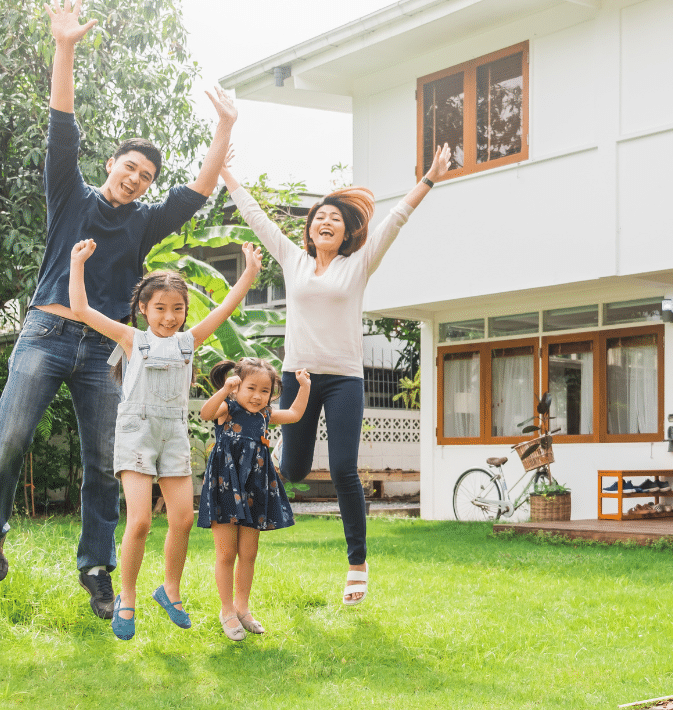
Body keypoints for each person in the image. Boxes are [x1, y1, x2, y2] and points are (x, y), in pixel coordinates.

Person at [0, 0, 236, 620]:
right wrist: (65, 46)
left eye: (145, 177)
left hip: (107, 349)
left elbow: (202, 187)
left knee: (108, 463)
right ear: (111, 164)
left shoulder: (144, 225)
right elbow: (61, 121)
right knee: (9, 436)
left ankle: (97, 568)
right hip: (48, 330)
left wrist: (225, 128)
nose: (135, 180)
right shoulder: (69, 195)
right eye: (129, 168)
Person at [220, 142, 451, 605]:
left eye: (335, 220)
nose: (325, 222)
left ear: (345, 234)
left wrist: (428, 178)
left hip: (345, 378)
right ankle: (256, 494)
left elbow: (395, 222)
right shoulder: (293, 260)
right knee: (294, 468)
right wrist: (226, 174)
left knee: (344, 468)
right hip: (297, 377)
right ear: (309, 230)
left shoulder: (359, 265)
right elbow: (259, 220)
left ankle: (357, 563)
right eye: (318, 217)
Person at [69, 238, 263, 640]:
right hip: (137, 432)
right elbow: (81, 310)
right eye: (160, 308)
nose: (170, 317)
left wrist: (249, 271)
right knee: (139, 521)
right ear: (143, 309)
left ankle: (169, 589)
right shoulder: (131, 338)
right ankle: (126, 596)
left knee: (183, 519)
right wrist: (78, 263)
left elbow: (227, 307)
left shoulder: (188, 342)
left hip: (173, 433)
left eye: (178, 309)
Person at [197, 358, 311, 640]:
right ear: (237, 387)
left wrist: (305, 386)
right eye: (251, 388)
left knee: (249, 552)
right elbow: (204, 412)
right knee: (226, 553)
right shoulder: (229, 407)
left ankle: (243, 608)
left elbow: (296, 413)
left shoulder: (265, 414)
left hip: (255, 485)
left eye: (265, 391)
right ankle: (226, 610)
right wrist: (225, 390)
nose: (258, 396)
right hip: (226, 483)